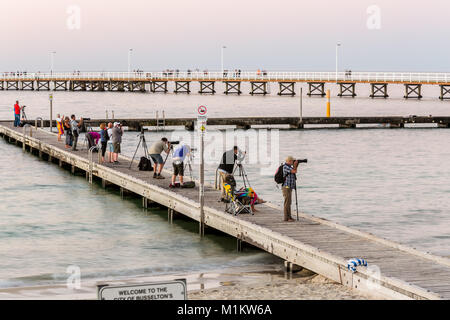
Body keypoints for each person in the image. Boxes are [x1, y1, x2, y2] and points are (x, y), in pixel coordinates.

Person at [282, 156, 299, 222]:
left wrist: (296, 165)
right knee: (287, 202)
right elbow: (294, 171)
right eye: (292, 161)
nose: (293, 162)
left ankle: (289, 217)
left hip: (289, 187)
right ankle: (286, 218)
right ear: (289, 161)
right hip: (286, 187)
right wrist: (295, 165)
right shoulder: (285, 167)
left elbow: (295, 171)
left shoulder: (289, 167)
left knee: (289, 202)